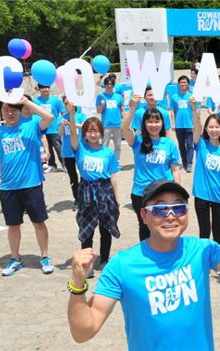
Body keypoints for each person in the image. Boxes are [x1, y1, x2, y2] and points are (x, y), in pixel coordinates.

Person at [67, 179, 220, 350]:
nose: (171, 216)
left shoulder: (202, 250)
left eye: (179, 208)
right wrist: (77, 285)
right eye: (160, 209)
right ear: (144, 216)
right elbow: (84, 332)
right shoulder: (122, 266)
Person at [0, 98, 55, 276]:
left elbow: (49, 117)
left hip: (31, 185)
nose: (10, 113)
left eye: (14, 109)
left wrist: (26, 102)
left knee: (39, 223)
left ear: (19, 110)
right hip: (8, 187)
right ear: (1, 111)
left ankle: (45, 257)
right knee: (13, 225)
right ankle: (15, 259)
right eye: (6, 109)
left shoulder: (30, 127)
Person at [68, 102, 121, 277]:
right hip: (86, 191)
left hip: (105, 191)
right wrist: (71, 114)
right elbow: (73, 136)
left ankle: (104, 259)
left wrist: (117, 197)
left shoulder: (108, 152)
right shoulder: (80, 148)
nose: (93, 134)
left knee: (105, 228)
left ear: (101, 132)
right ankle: (87, 262)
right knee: (87, 228)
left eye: (96, 130)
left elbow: (113, 176)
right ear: (85, 133)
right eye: (89, 131)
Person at [124, 93, 181, 241]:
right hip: (141, 192)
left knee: (164, 225)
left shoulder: (169, 144)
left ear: (162, 123)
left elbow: (175, 169)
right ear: (144, 124)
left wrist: (177, 192)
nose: (153, 125)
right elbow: (124, 128)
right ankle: (147, 258)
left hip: (163, 192)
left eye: (157, 121)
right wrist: (132, 107)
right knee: (145, 226)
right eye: (150, 122)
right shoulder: (138, 141)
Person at [192, 103, 220, 245]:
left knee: (218, 230)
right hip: (202, 194)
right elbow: (196, 127)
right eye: (210, 127)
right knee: (204, 231)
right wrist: (194, 109)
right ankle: (204, 261)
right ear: (206, 128)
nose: (214, 130)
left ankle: (218, 260)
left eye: (217, 127)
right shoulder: (201, 144)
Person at [59, 96, 86, 206]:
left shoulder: (81, 116)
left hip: (81, 150)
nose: (68, 106)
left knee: (84, 175)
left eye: (70, 103)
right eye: (66, 103)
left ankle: (86, 196)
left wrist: (71, 124)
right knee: (73, 177)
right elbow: (60, 134)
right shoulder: (63, 118)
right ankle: (77, 198)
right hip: (67, 151)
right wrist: (61, 125)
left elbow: (84, 127)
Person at [34, 84, 66, 172]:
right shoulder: (36, 101)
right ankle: (52, 165)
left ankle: (65, 165)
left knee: (59, 147)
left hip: (54, 129)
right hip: (42, 129)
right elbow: (33, 114)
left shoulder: (56, 100)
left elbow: (63, 112)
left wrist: (62, 122)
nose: (45, 90)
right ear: (39, 90)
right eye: (43, 88)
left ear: (49, 88)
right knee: (47, 149)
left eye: (46, 87)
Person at [169, 75, 195, 173]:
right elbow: (172, 111)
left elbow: (195, 110)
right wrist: (173, 124)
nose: (183, 84)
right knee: (181, 145)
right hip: (178, 125)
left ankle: (189, 163)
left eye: (185, 82)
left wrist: (195, 123)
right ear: (178, 84)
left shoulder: (191, 96)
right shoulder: (174, 97)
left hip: (189, 125)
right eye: (181, 82)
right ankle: (184, 162)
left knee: (190, 144)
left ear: (188, 84)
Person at [96, 76, 124, 161]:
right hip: (106, 125)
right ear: (104, 85)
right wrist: (102, 105)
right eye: (107, 84)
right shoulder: (101, 97)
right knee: (104, 145)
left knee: (118, 146)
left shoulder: (118, 97)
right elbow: (98, 111)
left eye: (111, 84)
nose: (109, 86)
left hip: (117, 124)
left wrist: (124, 120)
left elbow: (122, 110)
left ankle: (116, 162)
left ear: (113, 85)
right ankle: (104, 161)